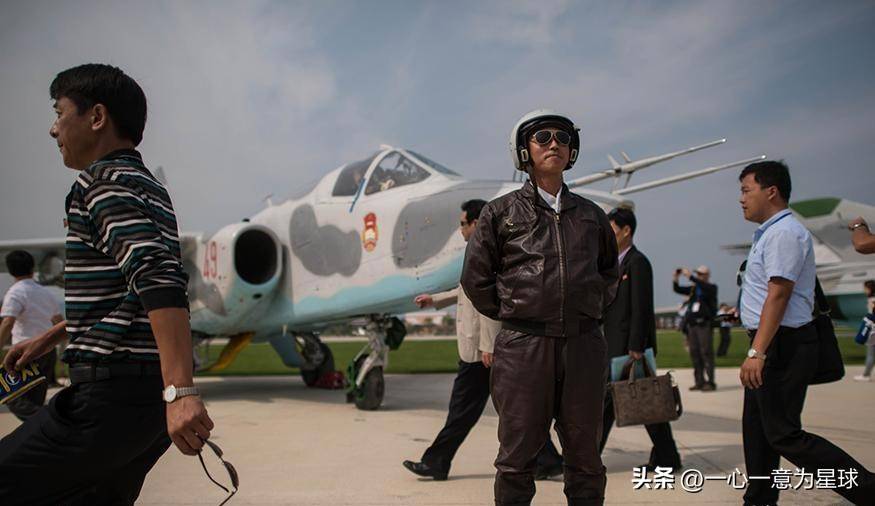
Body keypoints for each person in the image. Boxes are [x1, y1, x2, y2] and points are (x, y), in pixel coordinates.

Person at [0, 63, 214, 505]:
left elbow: (156, 276)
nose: (53, 129)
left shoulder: (99, 183)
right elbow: (131, 289)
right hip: (143, 404)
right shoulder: (149, 187)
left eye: (60, 113)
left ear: (96, 117)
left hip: (109, 400)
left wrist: (183, 391)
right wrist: (53, 337)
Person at [462, 109, 619, 506]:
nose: (555, 145)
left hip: (584, 347)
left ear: (573, 151)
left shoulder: (592, 216)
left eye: (563, 139)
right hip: (523, 349)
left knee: (586, 460)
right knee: (516, 461)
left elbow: (609, 275)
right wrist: (517, 311)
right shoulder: (499, 214)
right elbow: (475, 279)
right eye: (544, 137)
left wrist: (586, 310)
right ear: (524, 151)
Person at [737, 160, 875, 505]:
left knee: (784, 435)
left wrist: (758, 352)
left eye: (745, 190)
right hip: (773, 341)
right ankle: (759, 499)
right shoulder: (772, 231)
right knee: (758, 431)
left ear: (771, 192)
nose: (741, 199)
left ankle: (869, 490)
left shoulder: (784, 233)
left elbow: (779, 294)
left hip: (782, 345)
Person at [403, 200, 564, 481]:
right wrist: (436, 300)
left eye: (464, 223)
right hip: (479, 349)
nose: (461, 229)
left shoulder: (490, 249)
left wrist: (489, 345)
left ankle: (436, 462)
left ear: (477, 223)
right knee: (511, 410)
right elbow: (467, 290)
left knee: (468, 411)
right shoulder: (482, 248)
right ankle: (548, 460)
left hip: (482, 352)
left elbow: (493, 298)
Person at [600, 208, 681, 472]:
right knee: (640, 405)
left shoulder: (638, 263)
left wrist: (636, 345)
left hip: (630, 349)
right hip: (613, 345)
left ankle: (586, 459)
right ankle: (668, 457)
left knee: (643, 404)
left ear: (626, 231)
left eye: (612, 232)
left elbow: (641, 308)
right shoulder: (614, 264)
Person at [0, 251, 64, 420]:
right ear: (32, 268)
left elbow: (8, 322)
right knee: (35, 399)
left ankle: (49, 424)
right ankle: (45, 429)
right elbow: (59, 321)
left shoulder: (15, 293)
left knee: (13, 398)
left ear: (11, 271)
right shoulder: (46, 293)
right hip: (48, 351)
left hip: (25, 353)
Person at [672, 265, 718, 391]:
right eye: (697, 274)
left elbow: (703, 286)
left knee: (706, 353)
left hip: (704, 324)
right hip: (692, 326)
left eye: (700, 274)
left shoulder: (711, 288)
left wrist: (690, 276)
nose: (698, 276)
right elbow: (677, 289)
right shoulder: (694, 289)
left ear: (707, 275)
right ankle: (699, 381)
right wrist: (675, 278)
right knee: (695, 353)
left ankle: (710, 382)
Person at [854, 279, 875, 381]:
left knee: (871, 353)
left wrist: (867, 321)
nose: (864, 290)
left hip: (873, 331)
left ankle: (866, 375)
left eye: (865, 288)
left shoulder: (872, 300)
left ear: (870, 288)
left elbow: (872, 315)